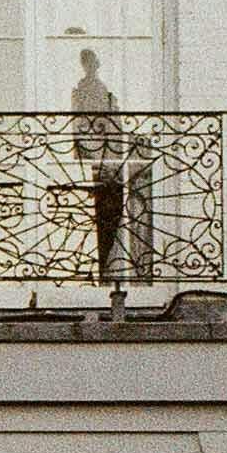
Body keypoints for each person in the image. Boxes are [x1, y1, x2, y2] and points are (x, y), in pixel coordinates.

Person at [67, 40, 131, 288]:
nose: (91, 66)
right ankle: (95, 271)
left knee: (108, 216)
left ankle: (106, 270)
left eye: (93, 61)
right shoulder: (82, 90)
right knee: (93, 215)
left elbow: (111, 126)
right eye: (87, 62)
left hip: (107, 162)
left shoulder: (103, 90)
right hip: (91, 162)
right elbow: (80, 124)